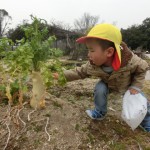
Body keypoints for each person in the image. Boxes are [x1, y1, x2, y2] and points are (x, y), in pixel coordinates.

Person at [54, 23, 149, 131]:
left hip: (128, 84)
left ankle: (147, 122)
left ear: (109, 52)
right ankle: (100, 112)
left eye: (92, 50)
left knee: (141, 101)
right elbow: (79, 72)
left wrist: (135, 86)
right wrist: (61, 75)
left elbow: (143, 68)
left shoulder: (130, 61)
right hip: (108, 84)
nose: (88, 55)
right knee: (100, 88)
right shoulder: (92, 65)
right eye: (88, 50)